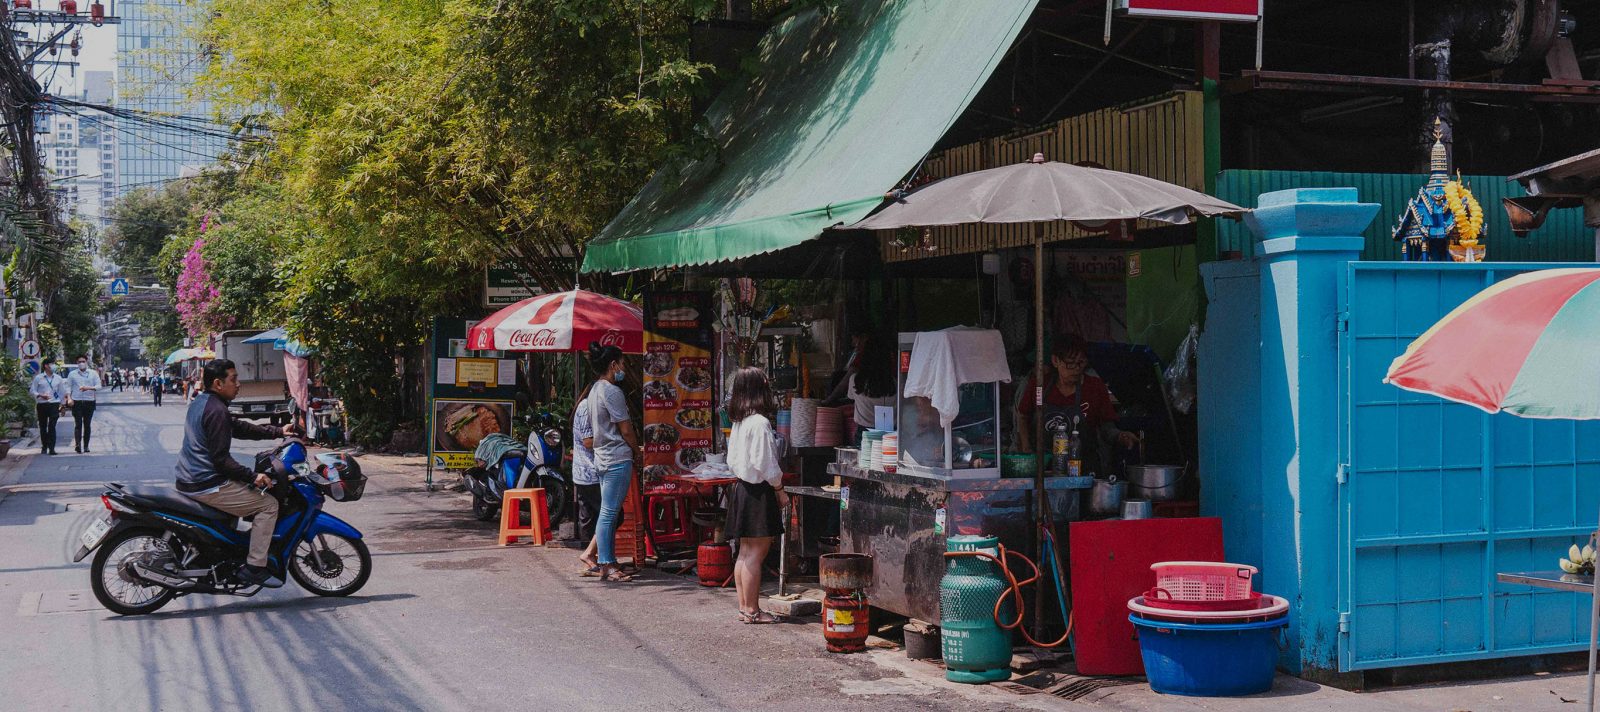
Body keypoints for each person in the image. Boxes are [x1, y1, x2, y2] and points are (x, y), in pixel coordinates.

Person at [175, 359, 295, 588]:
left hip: (190, 478)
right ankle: (254, 567)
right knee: (268, 505)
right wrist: (253, 476)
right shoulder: (216, 410)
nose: (238, 384)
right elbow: (221, 461)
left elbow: (239, 427)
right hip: (206, 483)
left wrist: (278, 431)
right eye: (234, 379)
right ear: (218, 383)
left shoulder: (202, 401)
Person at [1016, 336, 1139, 476]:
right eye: (1070, 363)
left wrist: (1120, 435)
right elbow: (1023, 415)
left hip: (1084, 466)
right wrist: (1026, 447)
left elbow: (1107, 427)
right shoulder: (1039, 385)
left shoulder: (1095, 387)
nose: (1076, 369)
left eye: (1081, 363)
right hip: (1045, 466)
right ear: (1055, 361)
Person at [725, 367, 788, 623]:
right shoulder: (760, 422)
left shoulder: (741, 421)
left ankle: (745, 608)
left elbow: (733, 459)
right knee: (756, 553)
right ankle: (752, 610)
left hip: (742, 488)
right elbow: (766, 464)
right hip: (758, 492)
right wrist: (780, 489)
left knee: (745, 551)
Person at [582, 342, 639, 583]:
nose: (623, 368)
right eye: (622, 363)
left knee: (608, 511)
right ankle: (607, 563)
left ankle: (608, 560)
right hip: (617, 457)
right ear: (613, 364)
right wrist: (637, 450)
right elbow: (625, 428)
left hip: (602, 456)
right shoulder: (612, 391)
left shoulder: (595, 389)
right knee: (609, 513)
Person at [571, 382, 602, 577]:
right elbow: (588, 441)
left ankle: (594, 562)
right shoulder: (585, 408)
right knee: (612, 515)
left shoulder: (588, 407)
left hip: (586, 472)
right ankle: (590, 555)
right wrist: (614, 438)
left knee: (591, 516)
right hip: (589, 472)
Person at [29, 358, 68, 455]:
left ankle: (52, 448)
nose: (54, 366)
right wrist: (40, 395)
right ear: (46, 366)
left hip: (54, 404)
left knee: (52, 426)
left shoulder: (58, 378)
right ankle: (44, 446)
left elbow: (62, 392)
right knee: (43, 426)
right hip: (42, 404)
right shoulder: (39, 378)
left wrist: (63, 405)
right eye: (52, 364)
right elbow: (32, 391)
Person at [67, 356, 101, 453]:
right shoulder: (72, 374)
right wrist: (69, 398)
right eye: (79, 361)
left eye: (83, 361)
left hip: (89, 401)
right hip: (76, 401)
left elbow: (99, 386)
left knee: (87, 424)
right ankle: (78, 445)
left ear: (86, 362)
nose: (81, 363)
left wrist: (88, 388)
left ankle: (86, 446)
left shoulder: (93, 373)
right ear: (77, 363)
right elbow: (68, 387)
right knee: (78, 424)